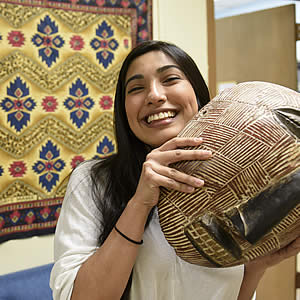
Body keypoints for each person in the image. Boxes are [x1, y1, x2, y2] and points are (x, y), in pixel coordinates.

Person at [50, 40, 300, 300]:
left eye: (170, 79)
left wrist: (256, 266)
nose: (155, 95)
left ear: (198, 93)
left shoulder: (240, 176)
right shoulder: (94, 180)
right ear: (124, 111)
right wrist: (140, 203)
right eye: (136, 88)